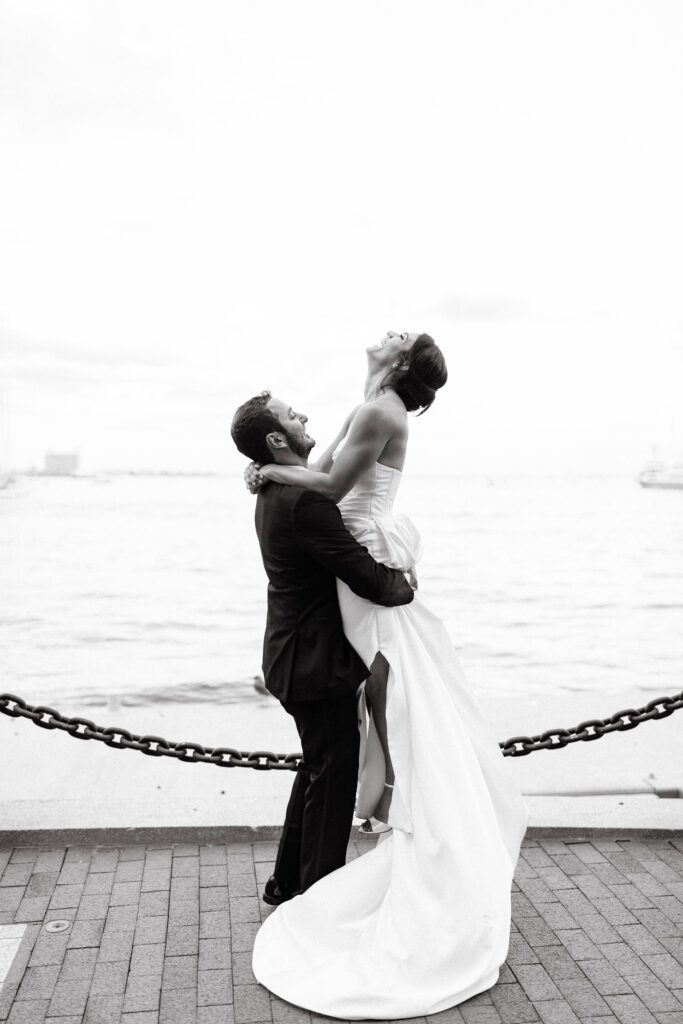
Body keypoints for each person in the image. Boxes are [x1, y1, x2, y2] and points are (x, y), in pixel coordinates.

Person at [244, 331, 530, 1020]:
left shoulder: (382, 411)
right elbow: (327, 486)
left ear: (401, 364)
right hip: (347, 573)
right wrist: (277, 470)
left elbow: (334, 487)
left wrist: (273, 470)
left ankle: (378, 856)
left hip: (363, 563)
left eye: (402, 337)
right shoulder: (369, 404)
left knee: (398, 706)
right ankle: (316, 872)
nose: (389, 331)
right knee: (366, 723)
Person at [230, 391, 415, 905]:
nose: (305, 416)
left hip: (290, 656)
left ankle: (286, 883)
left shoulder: (274, 492)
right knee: (331, 787)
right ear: (275, 439)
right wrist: (407, 582)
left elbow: (332, 454)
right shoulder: (304, 502)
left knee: (316, 769)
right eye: (293, 416)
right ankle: (316, 907)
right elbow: (370, 580)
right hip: (316, 667)